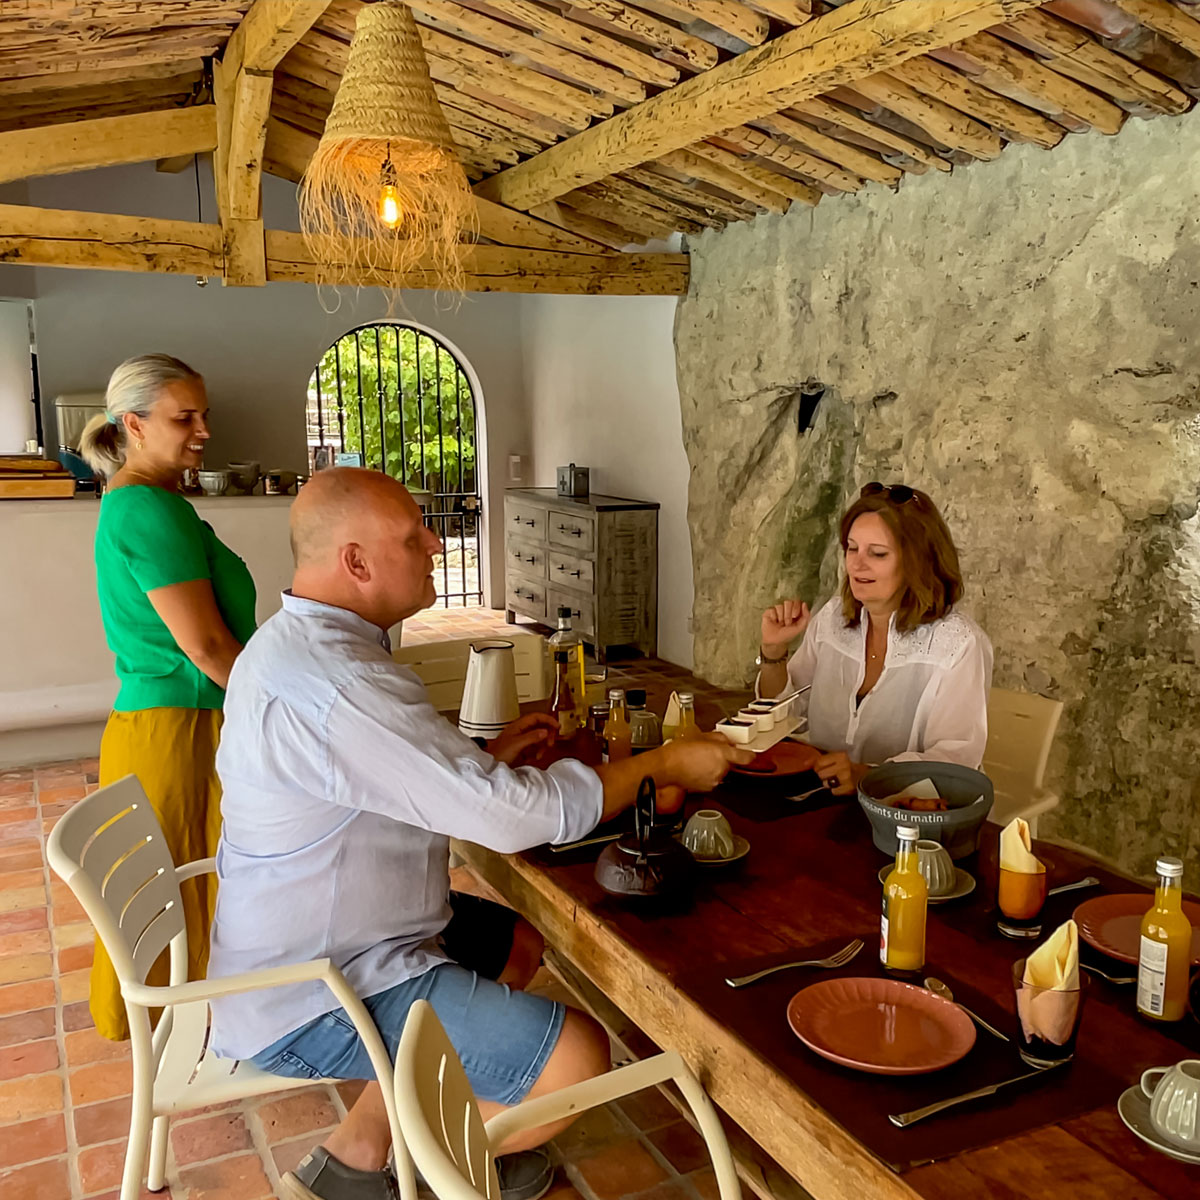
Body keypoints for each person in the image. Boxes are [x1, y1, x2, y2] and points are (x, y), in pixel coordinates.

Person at [207, 468, 750, 1200]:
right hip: (317, 984)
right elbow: (511, 819)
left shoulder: (301, 645)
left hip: (333, 937)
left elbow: (371, 779)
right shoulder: (335, 680)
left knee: (513, 943)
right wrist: (662, 763)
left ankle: (357, 1158)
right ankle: (439, 1167)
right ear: (356, 562)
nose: (435, 542)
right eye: (413, 535)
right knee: (574, 1059)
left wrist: (481, 764)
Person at [79, 354, 256, 1041]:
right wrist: (278, 708)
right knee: (167, 884)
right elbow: (208, 649)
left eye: (203, 414)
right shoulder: (147, 508)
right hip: (175, 726)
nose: (204, 430)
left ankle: (191, 1023)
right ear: (134, 424)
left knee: (176, 882)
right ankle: (170, 1035)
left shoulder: (145, 501)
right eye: (186, 417)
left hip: (174, 719)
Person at [757, 482, 992, 795]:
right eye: (852, 548)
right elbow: (785, 715)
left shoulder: (958, 645)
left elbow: (953, 761)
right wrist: (774, 652)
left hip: (900, 814)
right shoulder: (833, 618)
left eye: (877, 553)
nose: (856, 564)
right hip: (818, 795)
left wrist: (865, 775)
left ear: (917, 562)